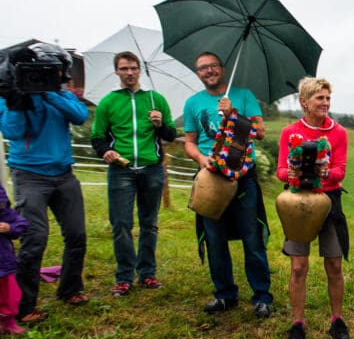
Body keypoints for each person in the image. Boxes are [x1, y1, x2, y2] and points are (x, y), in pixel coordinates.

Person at [0, 43, 89, 323]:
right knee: (34, 238)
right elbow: (13, 132)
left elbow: (80, 116)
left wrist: (49, 92)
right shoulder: (14, 95)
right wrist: (18, 101)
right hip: (29, 175)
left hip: (63, 174)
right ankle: (25, 307)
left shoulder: (62, 95)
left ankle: (70, 288)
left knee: (77, 234)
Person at [183, 51, 273, 317]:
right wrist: (201, 158)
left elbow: (260, 131)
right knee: (215, 238)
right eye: (202, 68)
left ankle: (262, 297)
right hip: (210, 177)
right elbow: (189, 140)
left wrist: (232, 113)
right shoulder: (192, 103)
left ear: (222, 69)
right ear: (198, 73)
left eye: (213, 66)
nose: (208, 71)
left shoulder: (243, 95)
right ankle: (225, 294)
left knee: (251, 237)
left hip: (242, 174)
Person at [91, 51, 176, 296]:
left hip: (151, 169)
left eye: (133, 68)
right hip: (121, 170)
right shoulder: (108, 102)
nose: (129, 73)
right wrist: (106, 151)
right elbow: (97, 137)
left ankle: (147, 274)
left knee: (149, 224)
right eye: (124, 68)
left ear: (140, 70)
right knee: (121, 225)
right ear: (117, 71)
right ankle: (124, 277)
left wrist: (160, 125)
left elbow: (170, 135)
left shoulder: (155, 99)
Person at [276, 77, 350, 339]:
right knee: (298, 267)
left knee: (334, 264)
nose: (325, 103)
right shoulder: (289, 132)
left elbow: (341, 169)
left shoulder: (338, 132)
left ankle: (337, 319)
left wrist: (327, 172)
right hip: (298, 201)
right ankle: (298, 324)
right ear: (304, 102)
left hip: (328, 200)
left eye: (328, 98)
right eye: (320, 98)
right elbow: (281, 171)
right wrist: (290, 173)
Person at [0, 183, 29, 333]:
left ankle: (9, 322)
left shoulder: (4, 211)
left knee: (11, 296)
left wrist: (9, 228)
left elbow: (22, 223)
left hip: (4, 263)